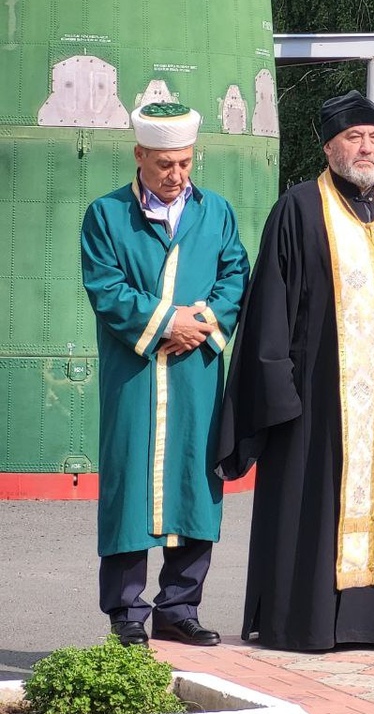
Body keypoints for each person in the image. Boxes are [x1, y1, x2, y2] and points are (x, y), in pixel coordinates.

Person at [217, 90, 374, 652]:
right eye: (353, 138)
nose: (366, 148)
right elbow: (270, 305)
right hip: (318, 401)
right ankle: (310, 623)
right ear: (329, 146)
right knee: (313, 511)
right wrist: (278, 396)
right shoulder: (298, 208)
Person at [80, 101, 249, 648]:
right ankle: (127, 611)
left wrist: (199, 324)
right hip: (134, 375)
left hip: (197, 372)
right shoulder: (106, 216)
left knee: (195, 480)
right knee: (131, 483)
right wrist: (165, 323)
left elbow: (235, 276)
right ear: (139, 156)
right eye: (164, 165)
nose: (176, 176)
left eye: (184, 163)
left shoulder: (216, 212)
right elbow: (106, 288)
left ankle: (179, 606)